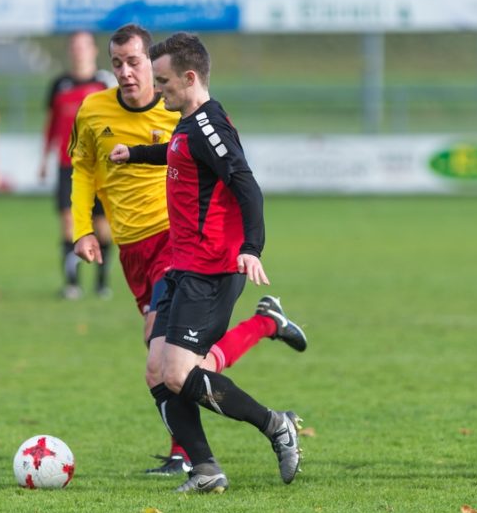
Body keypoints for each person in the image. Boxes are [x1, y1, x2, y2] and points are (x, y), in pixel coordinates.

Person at [73, 24, 306, 479]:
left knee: (179, 372)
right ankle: (204, 467)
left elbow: (247, 185)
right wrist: (134, 154)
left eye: (162, 81)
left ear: (190, 79)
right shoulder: (187, 125)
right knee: (157, 370)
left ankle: (275, 425)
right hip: (185, 267)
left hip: (212, 269)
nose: (157, 90)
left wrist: (252, 248)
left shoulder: (211, 126)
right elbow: (176, 154)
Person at [40, 31, 117, 300]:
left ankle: (101, 282)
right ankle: (72, 283)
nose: (78, 51)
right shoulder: (59, 85)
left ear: (93, 50)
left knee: (102, 225)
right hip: (67, 164)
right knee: (68, 223)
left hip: (99, 166)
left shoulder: (105, 82)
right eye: (74, 46)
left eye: (83, 46)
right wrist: (43, 159)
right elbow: (51, 125)